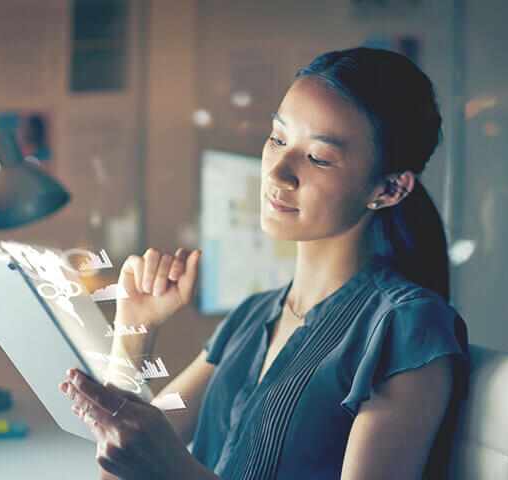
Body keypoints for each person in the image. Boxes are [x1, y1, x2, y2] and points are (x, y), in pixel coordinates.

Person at [59, 47, 470, 480]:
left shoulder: (405, 327)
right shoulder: (251, 318)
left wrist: (177, 471)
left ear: (389, 189)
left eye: (318, 158)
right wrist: (133, 333)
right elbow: (124, 459)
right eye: (278, 138)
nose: (278, 173)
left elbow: (159, 463)